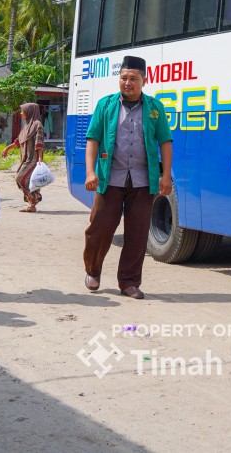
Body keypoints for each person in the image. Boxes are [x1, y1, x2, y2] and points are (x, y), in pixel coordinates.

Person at [83, 55, 173, 300]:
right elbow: (93, 139)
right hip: (109, 179)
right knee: (99, 228)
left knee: (137, 233)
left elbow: (165, 142)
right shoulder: (106, 105)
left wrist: (166, 176)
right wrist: (91, 172)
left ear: (144, 80)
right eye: (123, 78)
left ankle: (130, 282)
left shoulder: (155, 108)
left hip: (143, 182)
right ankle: (93, 270)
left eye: (133, 78)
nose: (127, 83)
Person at [2, 102, 44, 212]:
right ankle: (31, 205)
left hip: (33, 159)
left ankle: (33, 200)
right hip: (25, 159)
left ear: (29, 112)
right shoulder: (26, 126)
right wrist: (7, 148)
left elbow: (39, 143)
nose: (21, 113)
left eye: (23, 111)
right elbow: (18, 141)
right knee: (30, 181)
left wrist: (39, 159)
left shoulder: (37, 124)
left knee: (20, 178)